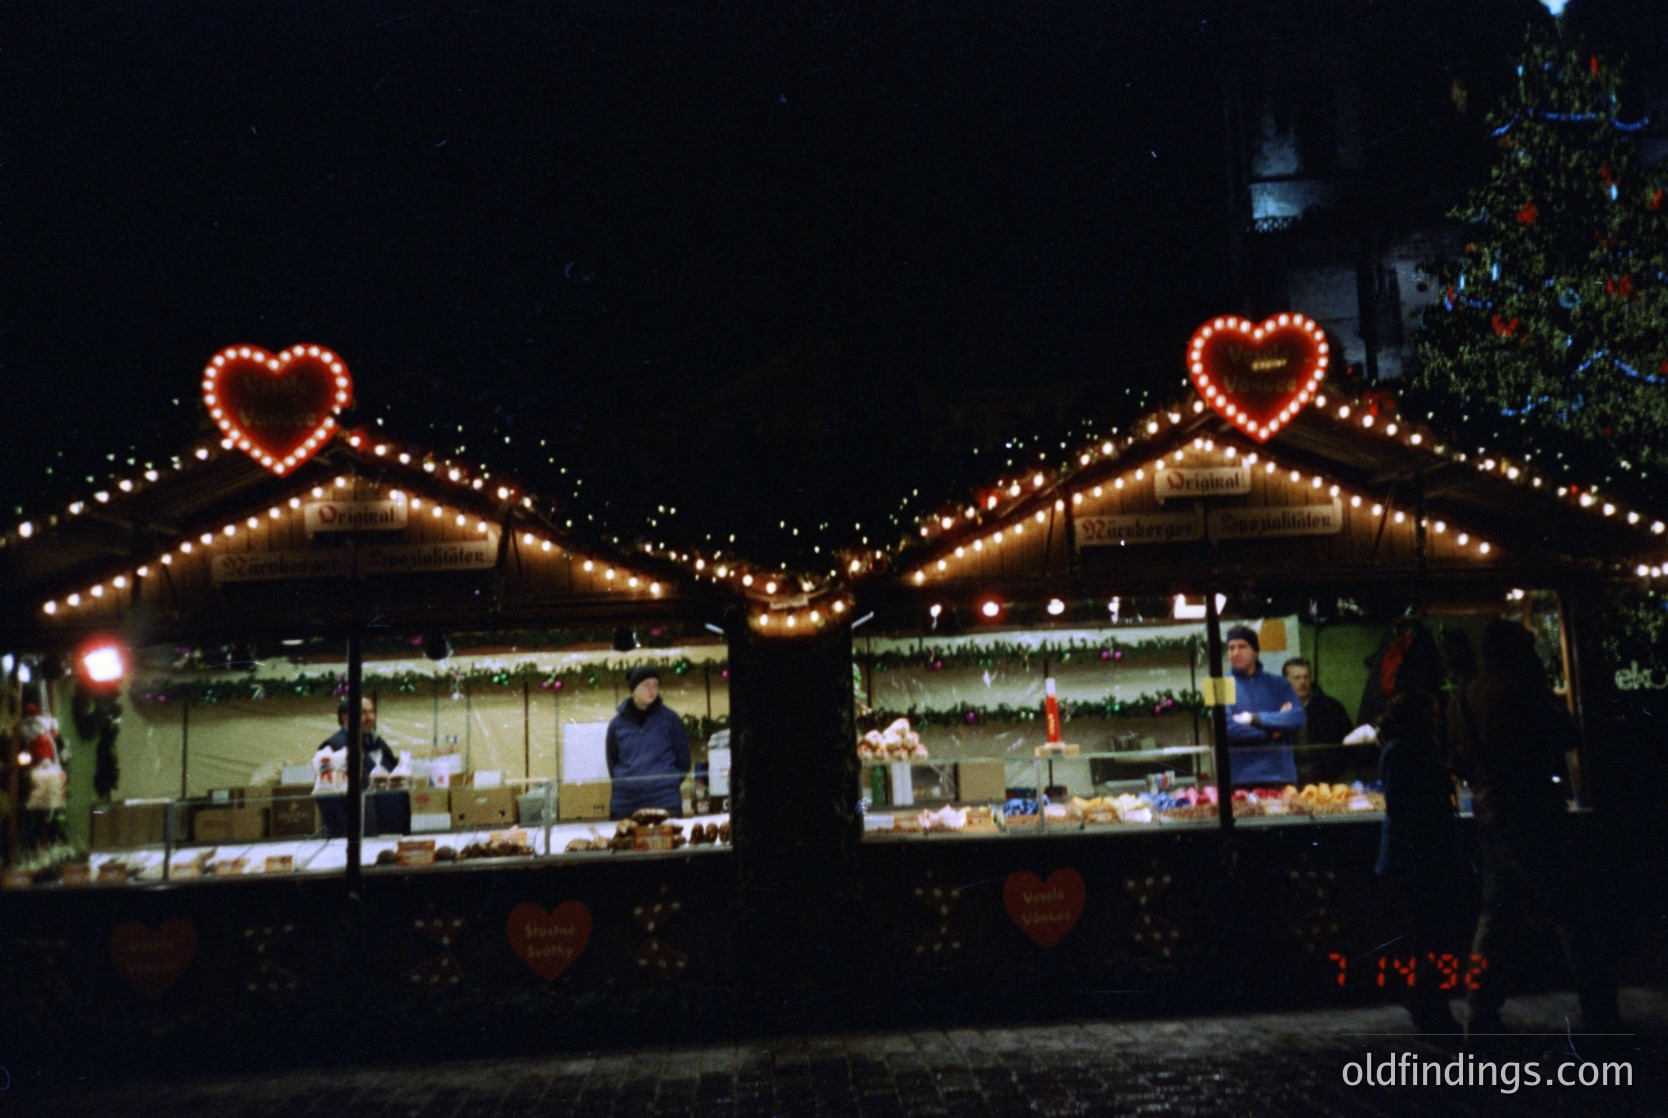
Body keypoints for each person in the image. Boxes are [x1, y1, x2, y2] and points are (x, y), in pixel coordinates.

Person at [1446, 620, 1618, 1038]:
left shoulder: (1463, 698)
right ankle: (1598, 1009)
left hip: (1489, 814)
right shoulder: (1524, 690)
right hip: (1533, 811)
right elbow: (1567, 734)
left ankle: (1480, 1010)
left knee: (1494, 916)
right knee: (1572, 911)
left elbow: (1458, 760)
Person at [1375, 690, 1469, 1035]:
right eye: (1431, 712)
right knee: (1432, 931)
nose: (1437, 718)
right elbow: (1416, 806)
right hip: (1417, 855)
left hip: (1407, 855)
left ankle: (1426, 1000)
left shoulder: (1397, 747)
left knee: (1425, 932)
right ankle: (1428, 1003)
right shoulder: (1409, 749)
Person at [606, 665, 690, 820]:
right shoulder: (617, 725)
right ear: (634, 689)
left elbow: (684, 762)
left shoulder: (671, 720)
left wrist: (666, 784)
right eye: (646, 685)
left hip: (665, 802)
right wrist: (627, 785)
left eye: (655, 685)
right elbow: (612, 763)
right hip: (626, 805)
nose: (652, 690)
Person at [1223, 624, 1304, 785]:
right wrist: (1271, 732)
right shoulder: (1220, 685)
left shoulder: (1279, 684)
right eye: (1231, 648)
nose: (1235, 652)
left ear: (1256, 652)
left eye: (1242, 646)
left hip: (1282, 777)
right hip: (1241, 779)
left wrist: (1253, 718)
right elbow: (1226, 728)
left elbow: (1297, 718)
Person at [312, 697, 399, 839]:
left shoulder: (375, 742)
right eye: (363, 713)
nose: (369, 717)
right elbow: (326, 797)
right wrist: (346, 838)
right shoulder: (333, 747)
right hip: (354, 838)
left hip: (382, 832)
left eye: (371, 712)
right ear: (345, 717)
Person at [1283, 657, 1356, 782]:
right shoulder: (1276, 710)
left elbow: (1349, 746)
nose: (1303, 682)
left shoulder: (1331, 708)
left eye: (1306, 677)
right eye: (1297, 678)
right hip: (1289, 781)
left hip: (1326, 781)